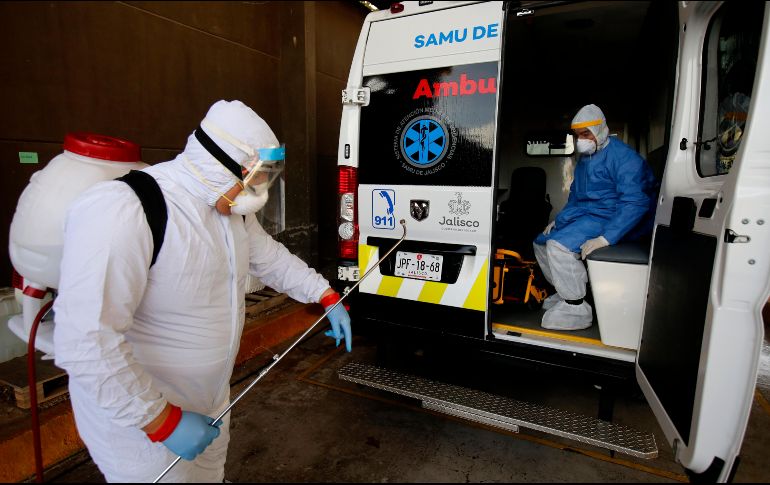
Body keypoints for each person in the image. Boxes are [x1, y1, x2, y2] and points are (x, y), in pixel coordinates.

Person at [53, 100, 352, 482]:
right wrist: (161, 422)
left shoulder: (230, 209)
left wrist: (325, 295)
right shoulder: (129, 209)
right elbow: (86, 340)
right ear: (218, 163)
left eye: (265, 178)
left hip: (209, 401)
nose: (258, 191)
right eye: (256, 177)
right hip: (144, 423)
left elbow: (271, 259)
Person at [533, 104, 657, 331]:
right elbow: (576, 197)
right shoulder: (586, 159)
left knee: (558, 246)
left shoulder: (625, 158)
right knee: (541, 241)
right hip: (588, 215)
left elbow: (635, 203)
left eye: (586, 134)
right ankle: (564, 293)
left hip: (612, 216)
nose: (581, 140)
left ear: (600, 130)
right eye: (578, 135)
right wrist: (559, 220)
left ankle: (576, 306)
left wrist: (606, 238)